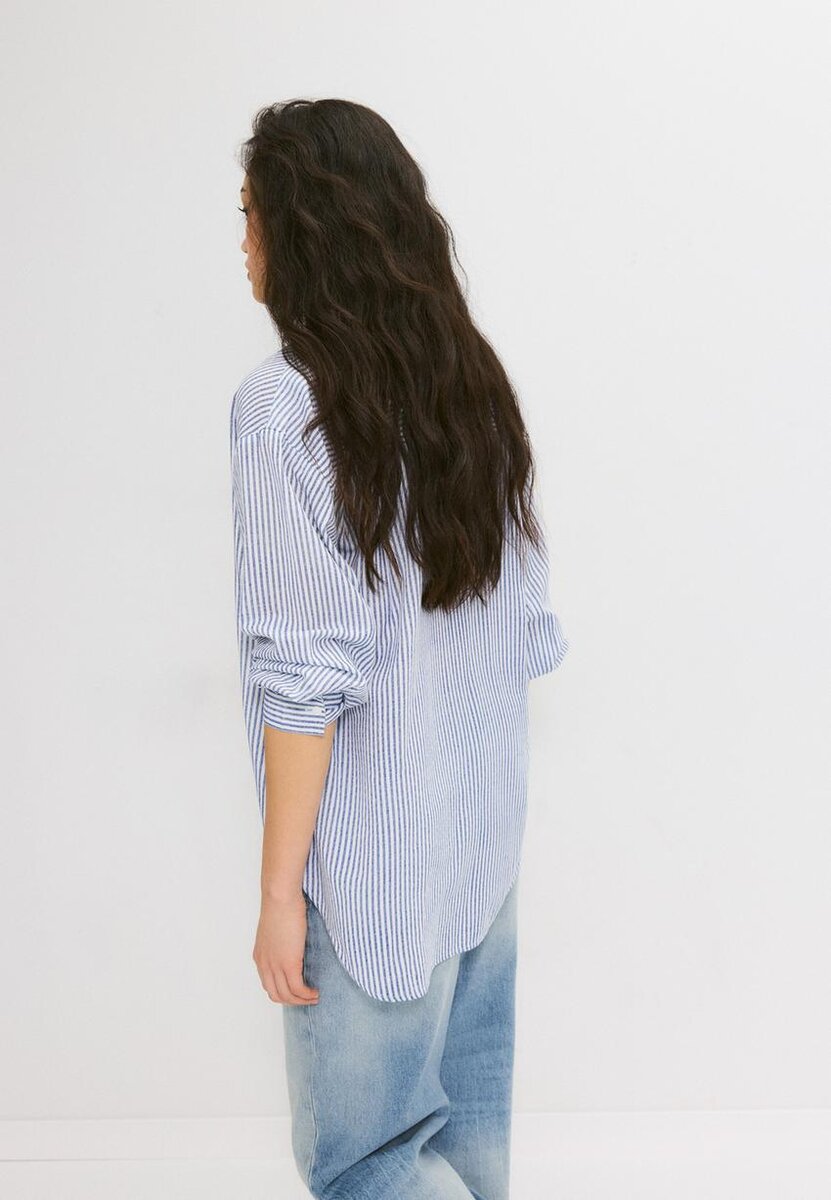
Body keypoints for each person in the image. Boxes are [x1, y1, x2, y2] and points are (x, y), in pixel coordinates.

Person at [230, 98, 569, 1200]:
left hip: (372, 871)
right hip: (479, 852)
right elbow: (520, 629)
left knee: (364, 1167)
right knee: (467, 1148)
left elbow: (304, 678)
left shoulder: (284, 407)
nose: (242, 245)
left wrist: (281, 892)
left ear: (303, 232)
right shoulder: (468, 387)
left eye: (251, 216)